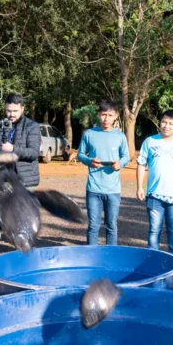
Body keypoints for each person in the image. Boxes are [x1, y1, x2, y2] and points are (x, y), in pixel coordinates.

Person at [0, 93, 41, 257]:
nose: (11, 114)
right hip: (3, 178)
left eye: (15, 111)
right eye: (9, 110)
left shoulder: (32, 126)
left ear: (22, 109)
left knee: (23, 218)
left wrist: (12, 149)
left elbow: (33, 152)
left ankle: (24, 253)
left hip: (25, 180)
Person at [136, 110, 173, 256]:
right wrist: (139, 187)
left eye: (171, 123)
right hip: (154, 195)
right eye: (164, 122)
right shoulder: (149, 142)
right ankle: (152, 262)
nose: (166, 126)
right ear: (160, 123)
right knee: (154, 230)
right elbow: (141, 164)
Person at [77, 99, 130, 246]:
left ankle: (111, 255)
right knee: (93, 226)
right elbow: (80, 154)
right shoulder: (89, 134)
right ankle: (92, 256)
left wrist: (120, 164)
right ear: (98, 115)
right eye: (103, 114)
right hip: (93, 189)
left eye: (109, 115)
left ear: (116, 116)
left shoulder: (120, 136)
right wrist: (90, 161)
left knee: (111, 226)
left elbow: (126, 156)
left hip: (113, 190)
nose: (106, 118)